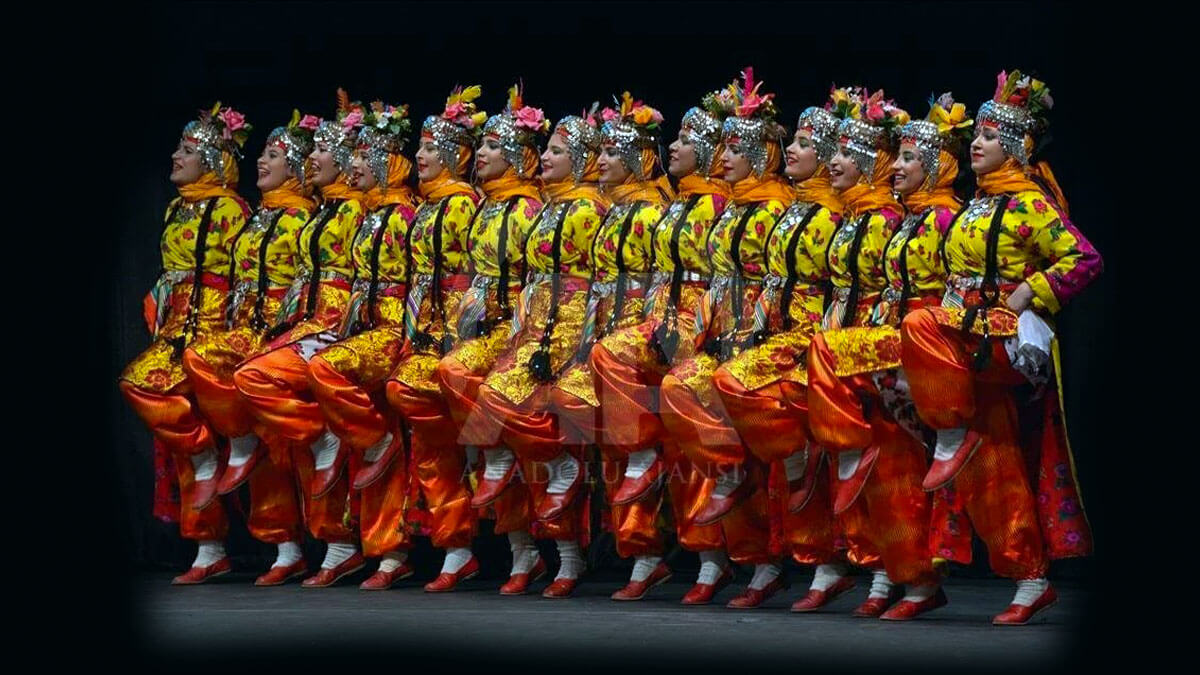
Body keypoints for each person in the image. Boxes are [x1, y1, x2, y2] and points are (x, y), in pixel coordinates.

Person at [899, 70, 1100, 624]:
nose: (978, 147)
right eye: (977, 138)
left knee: (919, 328)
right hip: (964, 333)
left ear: (1013, 147)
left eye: (989, 138)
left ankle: (949, 430)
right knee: (995, 460)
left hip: (1002, 336)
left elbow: (1084, 260)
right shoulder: (973, 207)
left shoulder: (1029, 204)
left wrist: (1030, 291)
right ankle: (1029, 579)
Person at [806, 93, 972, 619]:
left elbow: (963, 287)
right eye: (894, 159)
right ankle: (886, 576)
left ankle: (918, 582)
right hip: (880, 344)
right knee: (886, 472)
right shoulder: (900, 220)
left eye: (906, 160)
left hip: (925, 346)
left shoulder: (945, 219)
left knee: (903, 469)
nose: (898, 168)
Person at [588, 96, 735, 604]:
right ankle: (644, 554)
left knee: (688, 443)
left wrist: (699, 331)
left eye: (688, 141)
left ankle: (714, 561)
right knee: (622, 432)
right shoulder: (670, 205)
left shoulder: (725, 207)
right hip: (652, 320)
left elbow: (729, 280)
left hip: (702, 324)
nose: (675, 146)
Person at [658, 69, 794, 608]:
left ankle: (765, 564)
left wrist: (750, 336)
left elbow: (779, 283)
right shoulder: (723, 209)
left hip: (768, 339)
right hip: (716, 334)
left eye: (735, 148)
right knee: (688, 416)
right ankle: (715, 556)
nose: (724, 157)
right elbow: (715, 280)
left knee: (761, 450)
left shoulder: (774, 209)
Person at [706, 102, 845, 608]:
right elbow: (764, 282)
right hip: (769, 334)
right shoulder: (788, 210)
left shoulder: (840, 214)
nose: (793, 151)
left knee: (736, 393)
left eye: (806, 145)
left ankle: (827, 566)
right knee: (719, 401)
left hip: (816, 340)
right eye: (794, 142)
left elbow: (844, 288)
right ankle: (763, 565)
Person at [233, 90, 368, 587]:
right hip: (295, 325)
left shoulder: (358, 214)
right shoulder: (313, 215)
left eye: (320, 151)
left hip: (344, 327)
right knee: (272, 425)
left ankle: (342, 545)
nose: (312, 158)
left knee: (286, 401)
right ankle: (289, 546)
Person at [180, 111, 317, 585]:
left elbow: (314, 283)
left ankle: (292, 546)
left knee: (273, 439)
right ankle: (229, 542)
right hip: (239, 328)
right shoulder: (258, 215)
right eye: (261, 153)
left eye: (274, 156)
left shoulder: (305, 218)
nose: (262, 160)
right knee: (241, 426)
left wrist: (287, 331)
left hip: (280, 332)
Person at [119, 103, 252, 584]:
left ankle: (287, 549)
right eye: (179, 147)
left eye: (187, 150)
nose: (175, 156)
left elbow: (246, 278)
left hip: (217, 328)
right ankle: (208, 545)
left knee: (264, 443)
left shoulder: (232, 210)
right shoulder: (178, 207)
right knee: (148, 397)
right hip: (176, 329)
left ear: (214, 161)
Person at [305, 101, 421, 590]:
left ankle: (391, 553)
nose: (352, 164)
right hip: (359, 326)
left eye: (360, 154)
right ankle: (346, 547)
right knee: (343, 426)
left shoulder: (405, 214)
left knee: (378, 432)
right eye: (348, 155)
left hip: (395, 331)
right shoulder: (363, 216)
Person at [382, 86, 484, 592]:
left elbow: (471, 279)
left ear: (453, 156)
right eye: (418, 149)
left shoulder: (461, 206)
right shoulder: (426, 207)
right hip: (420, 329)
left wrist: (450, 334)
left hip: (455, 332)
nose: (418, 158)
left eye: (428, 150)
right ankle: (455, 550)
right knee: (426, 443)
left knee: (415, 403)